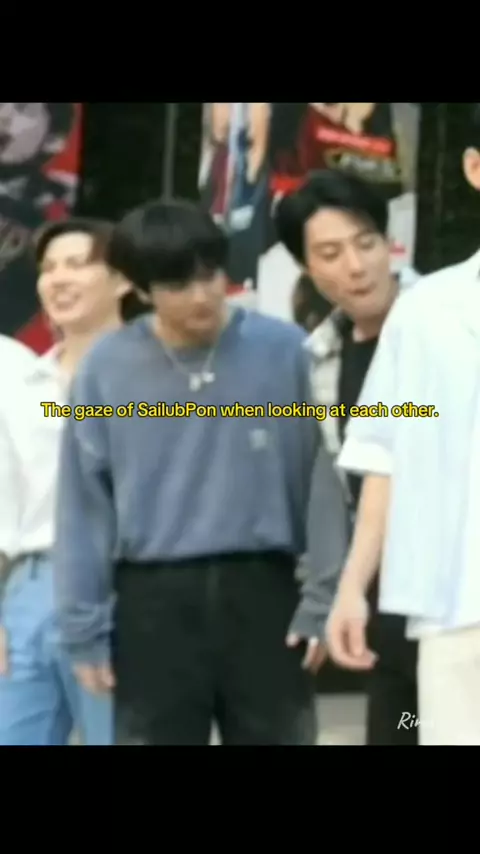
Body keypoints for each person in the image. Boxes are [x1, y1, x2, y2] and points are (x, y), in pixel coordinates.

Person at [53, 197, 326, 746]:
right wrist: (83, 629)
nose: (202, 295)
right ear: (140, 288)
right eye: (178, 284)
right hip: (151, 601)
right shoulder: (106, 370)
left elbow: (319, 483)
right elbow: (84, 507)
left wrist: (323, 598)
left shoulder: (285, 352)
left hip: (266, 591)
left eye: (210, 275)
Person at [326, 103, 480, 745]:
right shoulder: (426, 312)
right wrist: (351, 588)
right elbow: (385, 456)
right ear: (474, 169)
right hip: (456, 605)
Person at [274, 169, 419, 745]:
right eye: (331, 254)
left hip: (457, 597)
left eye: (366, 243)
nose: (356, 266)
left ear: (389, 243)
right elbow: (339, 493)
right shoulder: (319, 359)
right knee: (401, 729)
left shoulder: (451, 322)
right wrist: (335, 593)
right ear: (307, 267)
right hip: (383, 607)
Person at [0, 216, 136, 746]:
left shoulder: (159, 378)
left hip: (123, 587)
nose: (58, 279)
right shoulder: (20, 382)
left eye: (77, 264)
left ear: (122, 280)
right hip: (30, 590)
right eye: (48, 268)